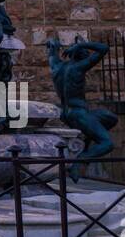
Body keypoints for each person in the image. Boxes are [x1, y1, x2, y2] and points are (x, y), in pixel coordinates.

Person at [47, 38, 117, 181]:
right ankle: (79, 162)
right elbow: (103, 47)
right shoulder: (78, 68)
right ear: (78, 54)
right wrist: (81, 44)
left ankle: (86, 144)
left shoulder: (57, 67)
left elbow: (52, 52)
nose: (87, 54)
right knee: (107, 144)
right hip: (78, 114)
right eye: (85, 52)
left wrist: (53, 46)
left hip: (66, 114)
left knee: (110, 118)